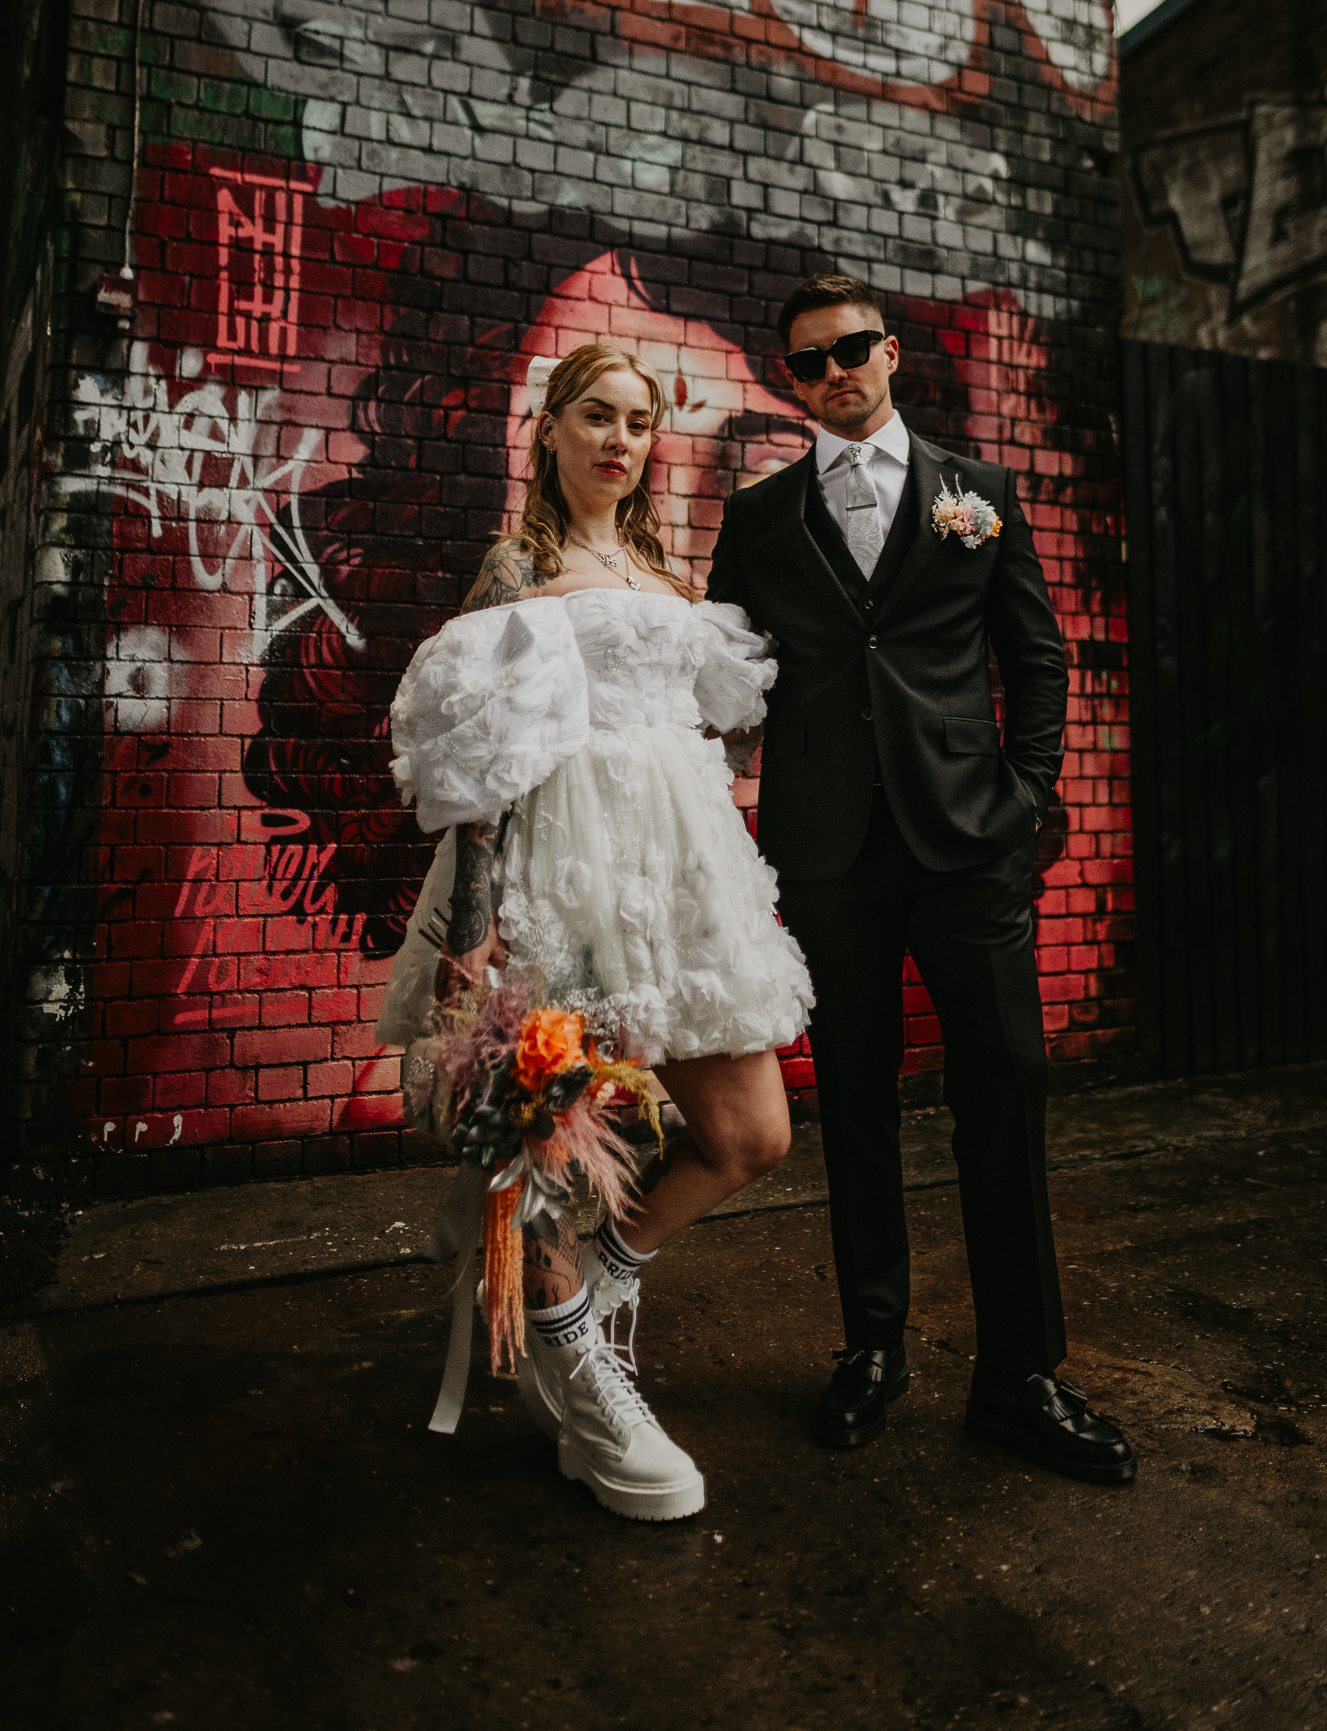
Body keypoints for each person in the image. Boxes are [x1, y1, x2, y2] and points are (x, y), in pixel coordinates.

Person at [706, 273, 1136, 1485]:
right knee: (854, 1098)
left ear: (892, 355)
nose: (834, 372)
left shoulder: (978, 498)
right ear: (790, 381)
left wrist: (1027, 797)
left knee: (1006, 1091)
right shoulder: (761, 518)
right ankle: (872, 1347)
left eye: (852, 350)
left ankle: (1021, 1376)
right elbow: (727, 678)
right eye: (807, 362)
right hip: (831, 855)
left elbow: (1034, 656)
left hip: (967, 847)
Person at [387, 342, 813, 1521]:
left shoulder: (659, 567)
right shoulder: (515, 567)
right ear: (551, 431)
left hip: (679, 883)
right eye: (596, 416)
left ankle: (580, 1298)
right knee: (551, 1161)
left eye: (638, 421)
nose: (620, 439)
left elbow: (718, 727)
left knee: (751, 1135)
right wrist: (474, 933)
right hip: (555, 873)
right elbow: (475, 762)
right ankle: (588, 1383)